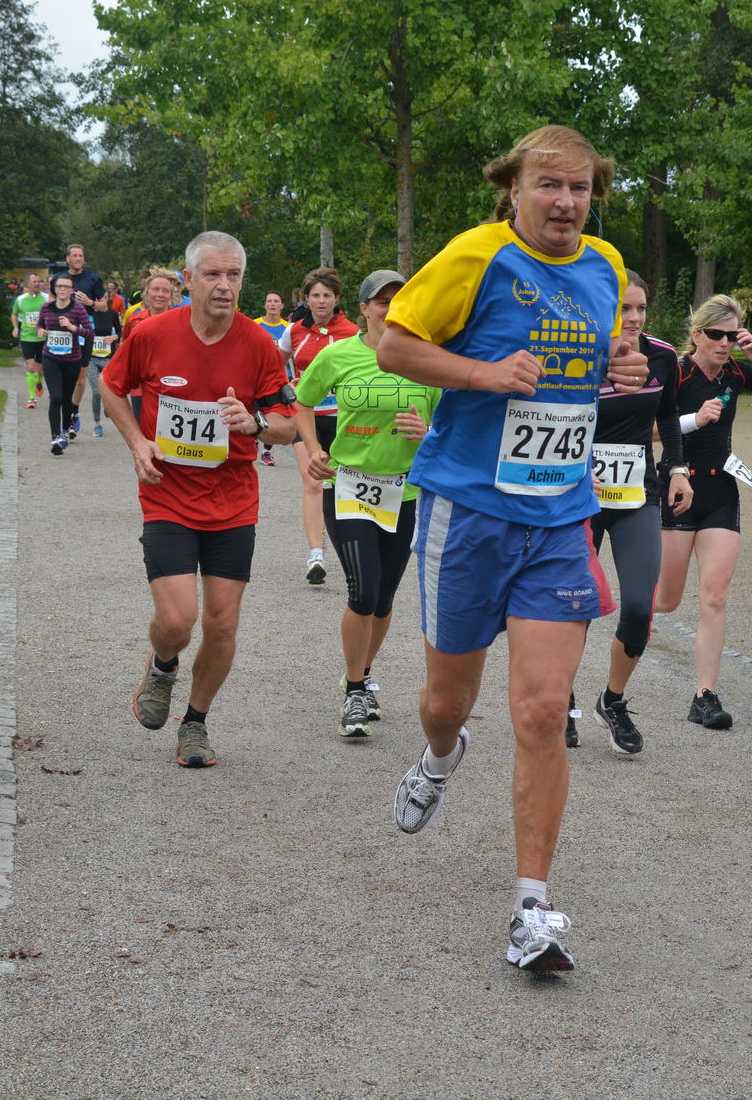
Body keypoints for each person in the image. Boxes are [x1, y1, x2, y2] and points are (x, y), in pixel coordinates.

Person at [376, 124, 649, 973]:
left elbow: (587, 361)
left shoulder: (605, 268)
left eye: (580, 189)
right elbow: (393, 343)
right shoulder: (475, 256)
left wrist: (618, 372)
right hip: (468, 509)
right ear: (515, 188)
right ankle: (441, 755)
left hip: (560, 517)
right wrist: (484, 374)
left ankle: (534, 908)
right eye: (549, 186)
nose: (566, 202)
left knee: (540, 710)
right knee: (445, 700)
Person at [103, 231, 298, 768]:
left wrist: (255, 423)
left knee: (222, 624)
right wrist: (138, 442)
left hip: (233, 500)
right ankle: (163, 664)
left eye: (234, 275)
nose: (225, 285)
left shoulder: (259, 344)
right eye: (212, 274)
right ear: (187, 281)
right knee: (178, 619)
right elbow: (110, 385)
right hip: (167, 494)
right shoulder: (152, 333)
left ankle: (195, 723)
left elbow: (290, 422)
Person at [293, 269, 437, 737]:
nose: (390, 309)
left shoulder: (425, 360)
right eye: (381, 302)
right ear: (364, 309)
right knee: (363, 591)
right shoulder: (340, 355)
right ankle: (355, 691)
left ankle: (363, 672)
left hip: (405, 491)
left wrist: (430, 434)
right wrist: (314, 448)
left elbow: (452, 426)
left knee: (384, 599)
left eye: (399, 301)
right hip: (351, 484)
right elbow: (302, 401)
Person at [652, 293, 752, 730]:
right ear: (697, 335)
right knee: (665, 600)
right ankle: (627, 637)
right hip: (679, 487)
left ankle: (705, 696)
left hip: (721, 490)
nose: (725, 344)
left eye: (732, 336)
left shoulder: (738, 372)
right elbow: (646, 429)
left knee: (714, 597)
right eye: (716, 335)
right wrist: (692, 421)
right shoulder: (676, 372)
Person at [571, 270, 688, 753]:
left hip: (636, 492)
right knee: (572, 604)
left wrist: (677, 468)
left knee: (640, 605)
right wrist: (577, 466)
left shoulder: (661, 357)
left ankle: (613, 701)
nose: (634, 318)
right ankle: (561, 699)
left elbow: (667, 417)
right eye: (624, 309)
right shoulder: (577, 356)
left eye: (640, 308)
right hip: (577, 495)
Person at [279, 268, 360, 584]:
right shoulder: (294, 330)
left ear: (337, 298)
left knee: (342, 486)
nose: (321, 301)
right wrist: (283, 389)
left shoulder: (352, 332)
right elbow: (276, 361)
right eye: (316, 295)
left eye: (327, 295)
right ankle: (316, 555)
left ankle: (351, 549)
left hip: (344, 418)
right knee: (313, 482)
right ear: (306, 298)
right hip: (306, 416)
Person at [38, 275, 93, 454]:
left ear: (72, 290)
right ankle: (55, 438)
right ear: (54, 288)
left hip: (72, 360)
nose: (62, 289)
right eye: (59, 286)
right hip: (50, 358)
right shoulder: (46, 308)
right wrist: (40, 331)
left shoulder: (78, 309)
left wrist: (72, 327)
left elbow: (89, 333)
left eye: (66, 286)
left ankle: (64, 429)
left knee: (67, 399)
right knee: (55, 398)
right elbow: (39, 325)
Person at [121, 269, 177, 422]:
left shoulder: (181, 322)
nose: (160, 294)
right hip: (140, 386)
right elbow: (123, 350)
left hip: (170, 387)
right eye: (155, 289)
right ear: (145, 294)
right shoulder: (134, 320)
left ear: (171, 296)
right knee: (142, 433)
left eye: (165, 291)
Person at [256, 291, 291, 465]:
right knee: (255, 411)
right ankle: (253, 440)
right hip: (256, 376)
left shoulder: (288, 327)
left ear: (282, 305)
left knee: (276, 414)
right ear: (265, 305)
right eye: (269, 301)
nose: (272, 304)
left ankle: (266, 451)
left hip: (279, 378)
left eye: (276, 301)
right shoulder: (255, 325)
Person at [88, 280, 125, 436]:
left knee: (108, 391)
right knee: (96, 392)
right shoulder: (89, 314)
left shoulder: (112, 314)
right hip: (91, 358)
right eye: (99, 298)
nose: (101, 301)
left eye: (104, 298)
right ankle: (97, 423)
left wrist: (114, 338)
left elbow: (120, 332)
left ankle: (107, 406)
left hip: (107, 358)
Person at [14, 272, 47, 408]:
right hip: (27, 338)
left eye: (39, 281)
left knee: (40, 370)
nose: (37, 284)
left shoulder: (46, 298)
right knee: (30, 366)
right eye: (34, 282)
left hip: (42, 338)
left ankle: (38, 381)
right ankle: (31, 398)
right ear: (28, 284)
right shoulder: (21, 300)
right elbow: (14, 313)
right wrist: (15, 327)